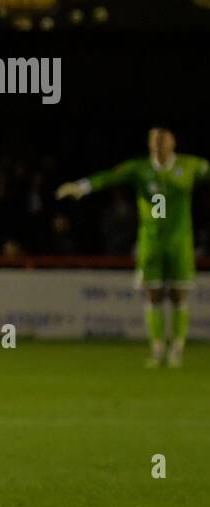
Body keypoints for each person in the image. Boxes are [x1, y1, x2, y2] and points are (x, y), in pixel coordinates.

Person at [57, 127, 208, 367]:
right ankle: (157, 349)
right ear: (150, 144)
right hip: (151, 242)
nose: (159, 144)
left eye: (163, 139)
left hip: (180, 242)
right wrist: (82, 187)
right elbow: (109, 177)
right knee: (153, 294)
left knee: (179, 295)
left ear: (173, 142)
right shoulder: (139, 169)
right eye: (155, 140)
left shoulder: (190, 166)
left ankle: (177, 349)